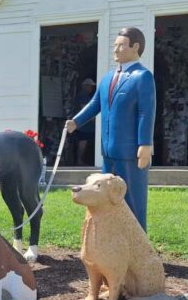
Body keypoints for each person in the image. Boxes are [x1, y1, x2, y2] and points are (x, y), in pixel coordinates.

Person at [65, 27, 156, 231]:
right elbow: (94, 104)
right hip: (108, 151)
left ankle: (138, 242)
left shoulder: (143, 77)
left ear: (135, 47)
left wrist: (145, 144)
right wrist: (76, 122)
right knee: (106, 197)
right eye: (115, 45)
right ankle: (112, 237)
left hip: (130, 152)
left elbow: (145, 112)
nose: (115, 49)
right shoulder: (107, 78)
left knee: (133, 198)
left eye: (120, 45)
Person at [74, 78, 97, 165]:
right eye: (90, 86)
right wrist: (94, 120)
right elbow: (84, 110)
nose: (91, 88)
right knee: (83, 141)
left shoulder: (85, 95)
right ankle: (79, 160)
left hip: (85, 125)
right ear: (85, 86)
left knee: (85, 142)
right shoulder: (83, 96)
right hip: (84, 125)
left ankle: (80, 160)